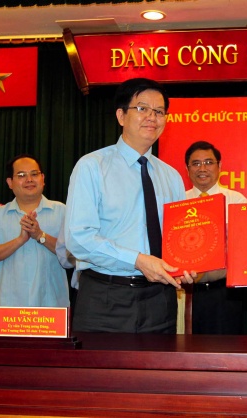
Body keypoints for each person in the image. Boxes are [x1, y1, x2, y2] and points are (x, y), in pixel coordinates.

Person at [64, 77, 192, 334]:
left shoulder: (172, 176)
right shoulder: (92, 166)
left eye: (159, 111)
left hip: (160, 300)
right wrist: (137, 260)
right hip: (106, 298)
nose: (152, 117)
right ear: (121, 116)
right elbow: (78, 239)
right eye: (142, 108)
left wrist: (186, 264)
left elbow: (177, 239)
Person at [0, 154, 69, 308]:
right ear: (10, 182)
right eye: (21, 175)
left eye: (34, 174)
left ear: (43, 179)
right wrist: (20, 240)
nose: (29, 179)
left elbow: (72, 256)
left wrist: (40, 235)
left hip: (51, 306)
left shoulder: (62, 212)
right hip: (9, 306)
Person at [184, 140, 247, 334]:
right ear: (187, 169)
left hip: (225, 294)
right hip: (186, 293)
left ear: (219, 166)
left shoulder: (237, 201)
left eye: (208, 162)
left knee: (225, 349)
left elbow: (244, 249)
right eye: (196, 163)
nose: (202, 168)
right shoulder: (177, 201)